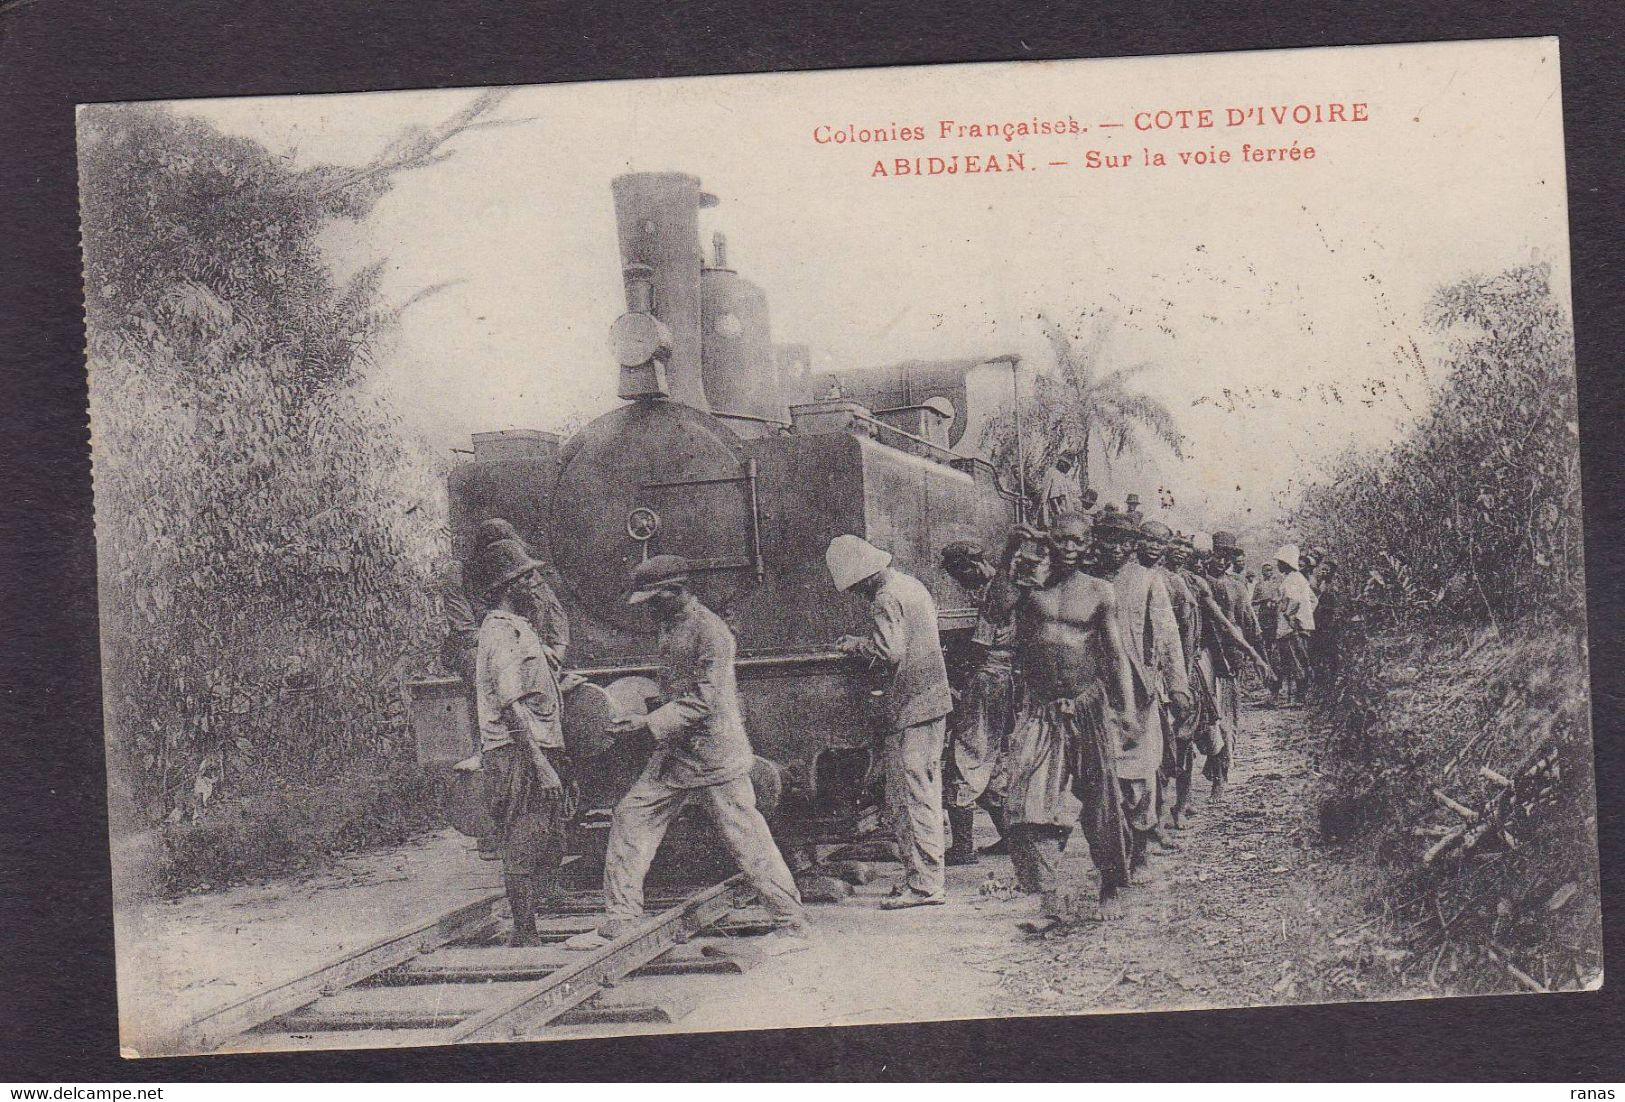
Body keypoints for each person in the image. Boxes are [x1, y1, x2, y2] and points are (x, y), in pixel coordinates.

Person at [564, 555, 809, 950]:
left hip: (714, 754)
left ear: (676, 592)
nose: (648, 609)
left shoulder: (711, 632)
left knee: (746, 838)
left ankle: (791, 924)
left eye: (654, 600)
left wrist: (648, 723)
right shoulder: (671, 623)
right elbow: (678, 690)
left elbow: (703, 701)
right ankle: (621, 919)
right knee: (631, 816)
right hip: (677, 753)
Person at [1003, 518, 1137, 931]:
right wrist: (1013, 554)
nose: (1070, 547)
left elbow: (1115, 655)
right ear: (1049, 541)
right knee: (1028, 804)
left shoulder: (1100, 590)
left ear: (1088, 543)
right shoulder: (1027, 587)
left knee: (1100, 800)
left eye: (1078, 539)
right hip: (1041, 708)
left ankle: (1112, 883)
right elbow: (994, 609)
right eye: (1061, 539)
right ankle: (1046, 901)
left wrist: (1127, 709)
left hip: (1088, 705)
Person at [828, 535, 954, 909]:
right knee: (926, 793)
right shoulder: (911, 585)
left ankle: (925, 886)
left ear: (863, 577)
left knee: (908, 798)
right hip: (932, 702)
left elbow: (889, 652)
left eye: (853, 588)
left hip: (910, 708)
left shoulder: (884, 598)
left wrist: (856, 645)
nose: (855, 595)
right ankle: (927, 878)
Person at [470, 538, 572, 946]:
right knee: (523, 844)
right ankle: (525, 935)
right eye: (525, 576)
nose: (534, 582)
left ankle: (531, 926)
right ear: (506, 585)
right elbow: (511, 707)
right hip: (518, 755)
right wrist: (542, 766)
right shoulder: (501, 634)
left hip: (534, 748)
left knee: (546, 840)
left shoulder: (519, 628)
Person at [1092, 508, 1188, 875]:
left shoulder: (1148, 581)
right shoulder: (1087, 580)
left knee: (1138, 775)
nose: (1115, 550)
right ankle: (1116, 855)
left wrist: (1177, 686)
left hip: (1138, 692)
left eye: (1122, 543)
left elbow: (1166, 635)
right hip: (1095, 690)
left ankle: (1142, 845)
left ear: (1131, 546)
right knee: (1103, 777)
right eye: (1108, 541)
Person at [939, 541, 1018, 863]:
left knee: (966, 754)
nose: (961, 584)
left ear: (969, 566)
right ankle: (1009, 838)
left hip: (986, 680)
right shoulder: (1006, 584)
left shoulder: (993, 594)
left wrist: (954, 679)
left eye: (960, 576)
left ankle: (962, 847)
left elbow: (980, 647)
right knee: (992, 760)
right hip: (1004, 679)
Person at [1205, 531, 1271, 800]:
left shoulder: (1237, 587)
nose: (1221, 561)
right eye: (1217, 554)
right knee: (1206, 723)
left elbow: (1251, 626)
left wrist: (1261, 659)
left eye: (1226, 556)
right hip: (1203, 658)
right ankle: (1213, 764)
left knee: (1226, 721)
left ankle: (1221, 774)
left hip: (1230, 661)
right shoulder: (1200, 583)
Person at [476, 518, 569, 668]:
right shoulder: (469, 580)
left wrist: (555, 659)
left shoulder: (528, 576)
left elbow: (556, 617)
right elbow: (477, 635)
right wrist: (535, 650)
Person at [1273, 544, 1318, 706]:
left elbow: (1294, 602)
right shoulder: (1299, 579)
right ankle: (1297, 697)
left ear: (1286, 562)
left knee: (1295, 661)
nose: (1277, 565)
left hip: (1291, 629)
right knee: (1298, 660)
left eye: (1280, 562)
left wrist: (1292, 619)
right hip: (1298, 627)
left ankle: (1299, 698)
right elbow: (1312, 600)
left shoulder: (1292, 579)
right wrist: (1306, 616)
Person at [1252, 561, 1284, 706]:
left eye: (1270, 570)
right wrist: (1263, 600)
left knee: (1276, 651)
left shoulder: (1277, 584)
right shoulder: (1259, 585)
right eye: (1266, 570)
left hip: (1275, 619)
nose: (1268, 572)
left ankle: (1276, 688)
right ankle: (1268, 682)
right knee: (1265, 650)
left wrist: (1274, 601)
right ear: (1262, 572)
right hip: (1263, 619)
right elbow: (1252, 601)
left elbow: (1282, 600)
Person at [1038, 453, 1082, 528]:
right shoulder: (1056, 474)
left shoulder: (1054, 473)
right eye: (1068, 467)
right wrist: (1060, 516)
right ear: (1062, 464)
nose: (1068, 470)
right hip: (1053, 515)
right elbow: (1053, 498)